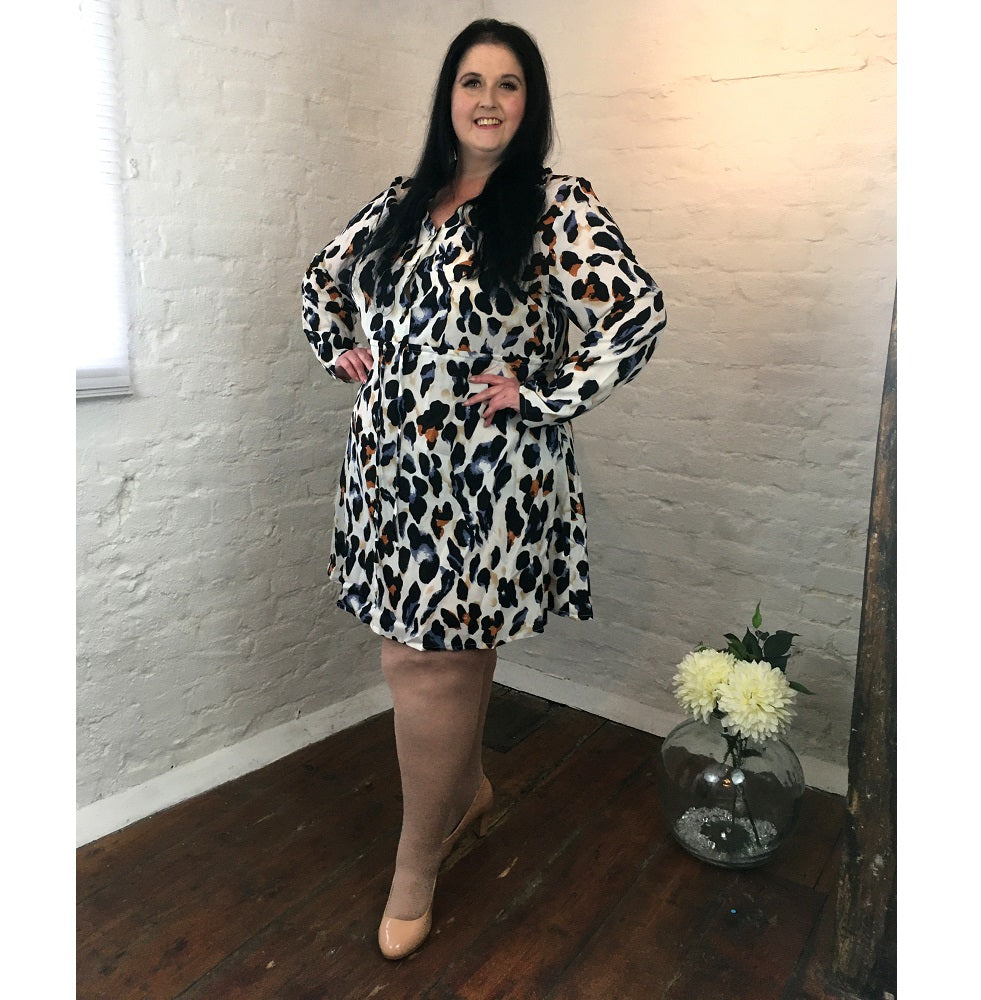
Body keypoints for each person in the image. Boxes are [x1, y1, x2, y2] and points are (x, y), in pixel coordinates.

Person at [302, 18, 666, 960]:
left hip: (485, 477)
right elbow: (321, 283)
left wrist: (541, 392)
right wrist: (339, 345)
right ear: (448, 96)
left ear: (530, 103)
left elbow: (638, 314)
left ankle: (416, 861)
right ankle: (462, 795)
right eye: (472, 81)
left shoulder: (554, 203)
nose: (489, 100)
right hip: (389, 467)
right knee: (441, 655)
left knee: (426, 662)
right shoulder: (401, 200)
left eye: (510, 84)